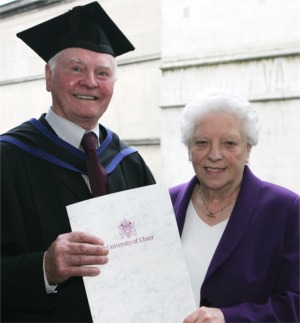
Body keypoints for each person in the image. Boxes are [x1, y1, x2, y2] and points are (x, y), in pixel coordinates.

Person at [0, 2, 155, 322]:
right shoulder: (8, 159)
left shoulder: (129, 162)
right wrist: (44, 268)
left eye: (103, 73)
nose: (90, 82)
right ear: (48, 76)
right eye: (76, 68)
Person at [169, 90, 299, 322]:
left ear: (248, 149)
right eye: (202, 143)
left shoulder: (286, 210)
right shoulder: (165, 205)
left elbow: (295, 304)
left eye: (229, 143)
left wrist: (228, 317)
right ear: (189, 150)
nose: (215, 155)